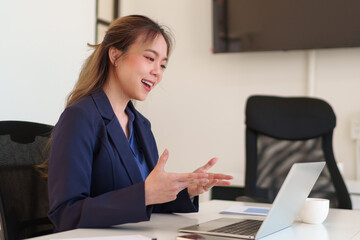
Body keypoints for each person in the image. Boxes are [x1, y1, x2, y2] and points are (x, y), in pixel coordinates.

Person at [47, 15, 233, 232]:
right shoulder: (79, 118)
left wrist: (186, 190)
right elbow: (65, 214)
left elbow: (142, 201)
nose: (157, 72)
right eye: (150, 58)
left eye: (163, 65)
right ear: (115, 55)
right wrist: (145, 194)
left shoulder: (141, 125)